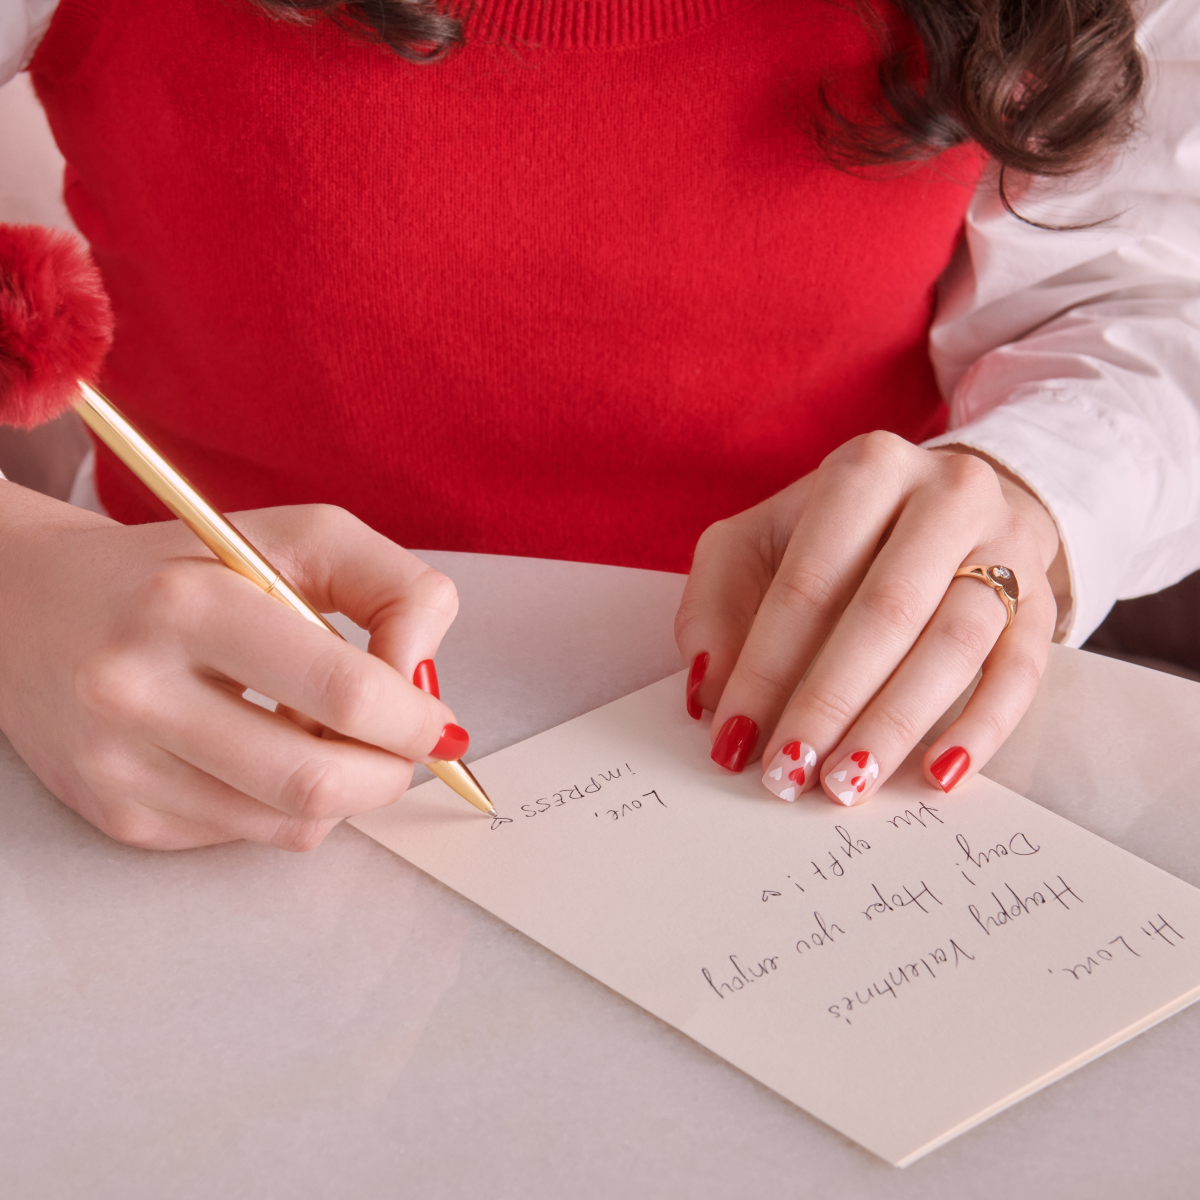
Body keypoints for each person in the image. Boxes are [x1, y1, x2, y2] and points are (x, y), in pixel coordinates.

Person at [0, 0, 1196, 848]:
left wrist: (1028, 485)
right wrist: (16, 580)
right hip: (164, 708)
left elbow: (1143, 297)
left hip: (835, 733)